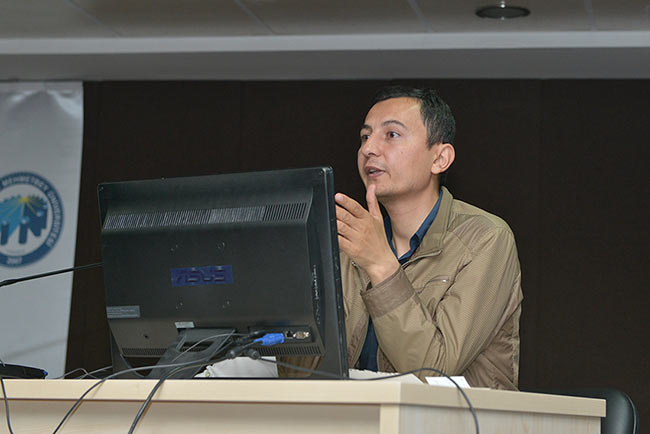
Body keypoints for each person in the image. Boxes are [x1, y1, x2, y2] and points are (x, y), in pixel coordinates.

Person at [280, 85, 523, 390]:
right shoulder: (344, 245)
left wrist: (381, 266)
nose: (369, 149)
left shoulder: (485, 239)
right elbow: (296, 375)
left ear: (440, 159)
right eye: (365, 137)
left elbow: (434, 372)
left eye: (391, 134)